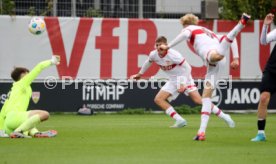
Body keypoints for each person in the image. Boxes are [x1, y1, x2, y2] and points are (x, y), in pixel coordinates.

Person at [159, 13, 250, 140]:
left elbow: (185, 34)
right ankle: (201, 132)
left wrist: (168, 46)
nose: (183, 29)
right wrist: (235, 58)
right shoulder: (208, 32)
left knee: (216, 56)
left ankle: (240, 25)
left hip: (211, 55)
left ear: (185, 24)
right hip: (215, 66)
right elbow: (231, 39)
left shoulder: (189, 28)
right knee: (206, 97)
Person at [131, 36, 235, 129]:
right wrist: (140, 74)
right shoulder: (154, 55)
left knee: (199, 101)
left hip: (184, 77)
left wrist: (182, 83)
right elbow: (148, 62)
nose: (158, 48)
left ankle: (225, 116)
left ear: (166, 45)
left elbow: (187, 67)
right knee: (158, 99)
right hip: (172, 80)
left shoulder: (174, 55)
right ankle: (180, 120)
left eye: (161, 45)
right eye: (157, 45)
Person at [0, 55, 60, 138]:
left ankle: (36, 133)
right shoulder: (22, 83)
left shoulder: (14, 89)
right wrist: (51, 62)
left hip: (9, 124)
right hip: (14, 118)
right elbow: (39, 67)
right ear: (23, 74)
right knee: (45, 114)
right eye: (27, 73)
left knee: (29, 122)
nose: (29, 75)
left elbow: (3, 111)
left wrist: (1, 130)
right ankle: (18, 131)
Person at [251, 13, 276, 141]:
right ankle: (261, 133)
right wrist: (265, 26)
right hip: (272, 70)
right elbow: (263, 41)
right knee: (264, 98)